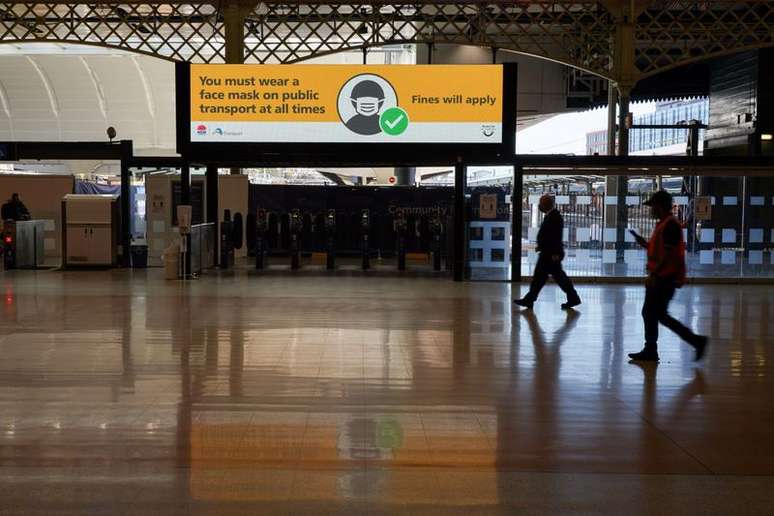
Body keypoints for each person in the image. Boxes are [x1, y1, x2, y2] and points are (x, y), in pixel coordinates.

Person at [628, 190, 708, 362]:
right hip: (661, 277)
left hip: (664, 278)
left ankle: (693, 342)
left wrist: (655, 274)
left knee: (655, 313)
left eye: (652, 206)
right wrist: (644, 243)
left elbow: (669, 255)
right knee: (653, 313)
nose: (650, 210)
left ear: (659, 206)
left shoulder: (670, 225)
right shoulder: (664, 224)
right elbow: (660, 250)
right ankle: (653, 349)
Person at [514, 194, 581, 310]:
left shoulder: (554, 217)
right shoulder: (552, 216)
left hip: (550, 254)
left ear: (546, 204)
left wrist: (554, 253)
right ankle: (530, 299)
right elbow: (548, 236)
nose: (539, 205)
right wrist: (541, 246)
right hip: (548, 252)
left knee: (550, 277)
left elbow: (554, 237)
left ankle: (530, 299)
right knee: (546, 277)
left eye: (541, 203)